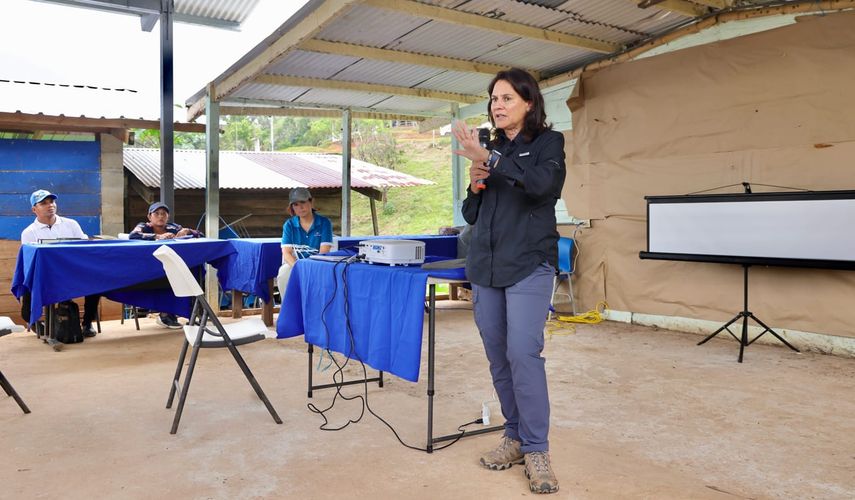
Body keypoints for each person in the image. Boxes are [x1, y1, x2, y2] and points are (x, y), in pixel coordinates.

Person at [452, 68, 566, 495]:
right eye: (493, 99)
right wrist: (476, 186)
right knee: (499, 357)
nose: (497, 106)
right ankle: (514, 437)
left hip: (528, 265)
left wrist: (490, 160)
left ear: (529, 103)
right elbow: (470, 215)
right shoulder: (490, 148)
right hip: (486, 268)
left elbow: (543, 186)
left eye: (506, 99)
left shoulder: (547, 144)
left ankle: (537, 449)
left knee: (523, 353)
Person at [20, 189, 101, 343]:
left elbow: (84, 248)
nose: (50, 205)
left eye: (52, 202)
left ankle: (87, 323)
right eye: (43, 203)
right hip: (46, 277)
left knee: (95, 283)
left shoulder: (71, 224)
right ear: (34, 209)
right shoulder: (28, 232)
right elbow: (29, 262)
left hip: (74, 273)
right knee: (26, 307)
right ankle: (42, 328)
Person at [129, 201, 203, 328]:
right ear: (149, 216)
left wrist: (187, 231)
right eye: (156, 213)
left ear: (168, 217)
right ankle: (165, 315)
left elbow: (200, 234)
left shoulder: (173, 227)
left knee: (194, 272)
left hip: (169, 266)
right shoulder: (143, 226)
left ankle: (191, 315)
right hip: (148, 269)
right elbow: (133, 235)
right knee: (168, 278)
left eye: (164, 214)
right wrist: (158, 236)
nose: (160, 216)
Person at [276, 188, 333, 299]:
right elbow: (286, 253)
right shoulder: (289, 225)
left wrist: (309, 268)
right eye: (295, 204)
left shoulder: (324, 223)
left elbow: (324, 252)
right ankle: (287, 310)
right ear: (292, 207)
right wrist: (299, 268)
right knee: (283, 273)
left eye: (303, 202)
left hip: (318, 265)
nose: (300, 207)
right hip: (296, 265)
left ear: (311, 202)